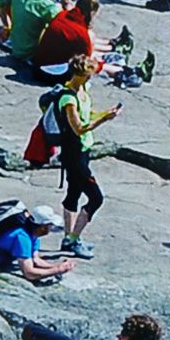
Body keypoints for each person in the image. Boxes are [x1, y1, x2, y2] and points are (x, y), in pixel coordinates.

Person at [51, 55, 117, 258]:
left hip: (83, 150)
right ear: (80, 74)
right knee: (96, 198)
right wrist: (104, 120)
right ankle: (72, 240)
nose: (91, 78)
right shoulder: (68, 98)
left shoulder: (82, 90)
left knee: (73, 194)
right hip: (74, 154)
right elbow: (79, 128)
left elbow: (88, 114)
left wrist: (105, 113)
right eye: (89, 74)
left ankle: (69, 239)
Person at [31, 0, 102, 83]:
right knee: (92, 58)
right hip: (51, 75)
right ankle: (115, 68)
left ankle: (111, 45)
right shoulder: (82, 33)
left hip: (37, 67)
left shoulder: (61, 15)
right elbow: (86, 63)